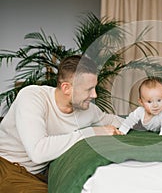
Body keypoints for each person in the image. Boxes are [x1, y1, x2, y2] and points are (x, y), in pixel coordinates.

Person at [0, 55, 123, 192]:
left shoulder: (87, 109)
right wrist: (91, 133)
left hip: (39, 175)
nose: (94, 95)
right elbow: (38, 152)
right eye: (88, 89)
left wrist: (146, 121)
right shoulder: (32, 97)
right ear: (66, 88)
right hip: (6, 167)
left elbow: (113, 120)